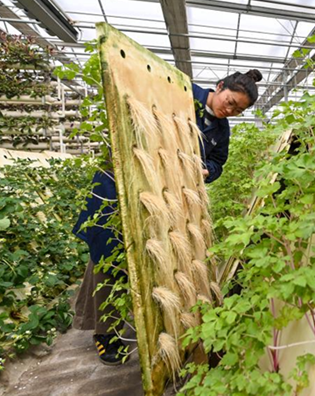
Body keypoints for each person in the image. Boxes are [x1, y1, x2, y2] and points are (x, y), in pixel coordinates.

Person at [72, 69, 263, 365]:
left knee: (149, 260)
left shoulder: (221, 130)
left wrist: (207, 171)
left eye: (239, 110)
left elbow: (217, 162)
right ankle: (105, 335)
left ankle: (140, 327)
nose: (231, 111)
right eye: (230, 102)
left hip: (166, 202)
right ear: (220, 86)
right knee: (108, 260)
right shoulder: (177, 93)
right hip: (125, 191)